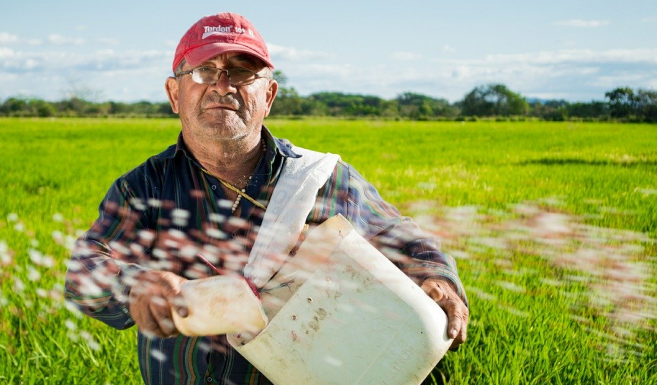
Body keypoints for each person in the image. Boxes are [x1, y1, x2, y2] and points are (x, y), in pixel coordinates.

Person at [65, 12, 468, 385]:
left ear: (269, 95)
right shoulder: (144, 187)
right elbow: (85, 268)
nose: (223, 85)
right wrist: (135, 286)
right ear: (175, 94)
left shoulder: (319, 179)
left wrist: (437, 277)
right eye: (204, 70)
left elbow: (397, 235)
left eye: (242, 72)